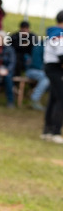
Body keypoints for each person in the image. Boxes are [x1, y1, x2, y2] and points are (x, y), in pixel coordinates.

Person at [42, 12, 63, 143]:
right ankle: (55, 131)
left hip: (53, 68)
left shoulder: (55, 33)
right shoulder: (58, 34)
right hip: (55, 68)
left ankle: (47, 131)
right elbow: (62, 56)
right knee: (61, 99)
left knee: (54, 98)